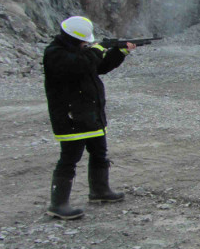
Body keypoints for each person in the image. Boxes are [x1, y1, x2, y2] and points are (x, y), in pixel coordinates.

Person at [43, 16, 137, 220]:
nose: (86, 43)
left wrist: (119, 52)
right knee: (69, 159)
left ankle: (100, 191)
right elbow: (80, 65)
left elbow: (99, 67)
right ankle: (58, 204)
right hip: (71, 117)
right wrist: (97, 49)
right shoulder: (55, 54)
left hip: (90, 114)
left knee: (99, 153)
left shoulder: (79, 52)